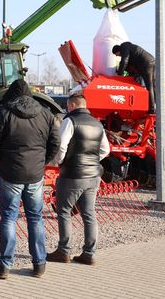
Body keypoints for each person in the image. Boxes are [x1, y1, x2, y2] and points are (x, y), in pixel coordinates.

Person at [0, 79, 60, 279]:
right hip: (35, 175)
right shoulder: (45, 113)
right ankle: (39, 264)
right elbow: (55, 141)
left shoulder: (4, 113)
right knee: (35, 218)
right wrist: (42, 162)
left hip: (10, 174)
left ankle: (5, 266)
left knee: (9, 218)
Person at [46, 93, 110, 266]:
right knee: (88, 213)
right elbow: (105, 149)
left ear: (72, 105)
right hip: (93, 175)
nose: (67, 109)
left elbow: (61, 145)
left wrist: (61, 162)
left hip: (73, 175)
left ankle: (63, 251)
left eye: (68, 106)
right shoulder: (97, 124)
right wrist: (92, 161)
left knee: (64, 211)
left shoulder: (70, 121)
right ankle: (89, 253)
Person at [112, 42, 156, 113]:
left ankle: (152, 108)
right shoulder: (129, 48)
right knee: (153, 85)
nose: (118, 56)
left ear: (118, 51)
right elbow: (128, 63)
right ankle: (156, 105)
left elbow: (124, 61)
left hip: (147, 64)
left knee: (149, 86)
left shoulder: (124, 47)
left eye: (117, 55)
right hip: (151, 60)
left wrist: (120, 74)